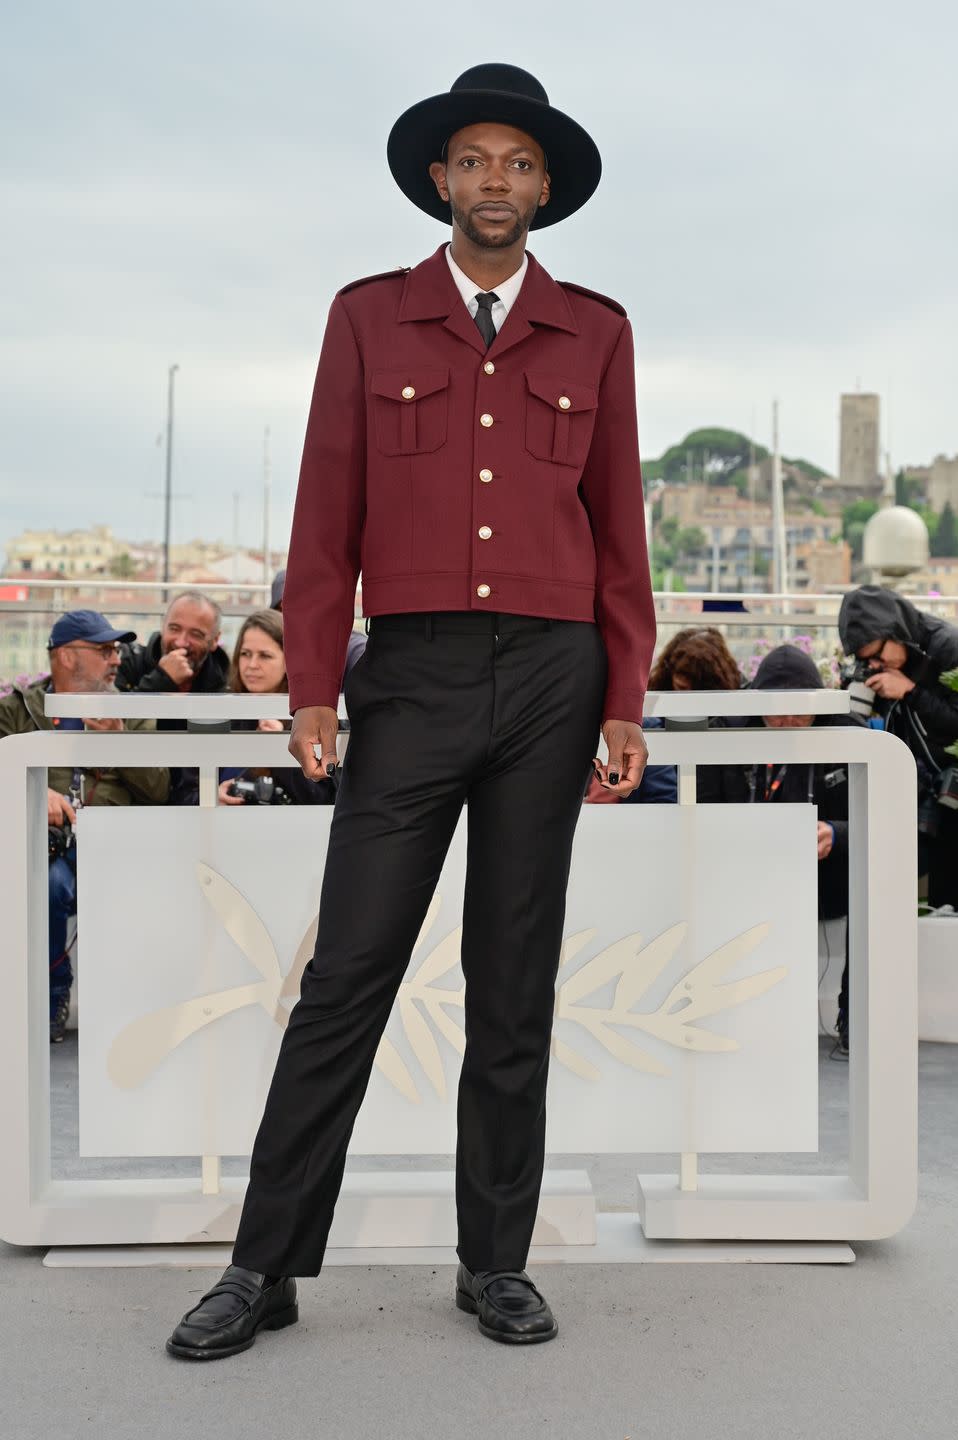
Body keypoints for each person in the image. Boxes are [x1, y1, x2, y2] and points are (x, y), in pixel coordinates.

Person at [167, 63, 654, 1361]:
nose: (496, 181)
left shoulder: (594, 329)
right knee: (345, 977)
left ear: (545, 188)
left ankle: (493, 1261)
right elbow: (324, 513)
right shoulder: (369, 318)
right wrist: (313, 680)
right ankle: (263, 1266)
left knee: (512, 986)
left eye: (519, 164)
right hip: (414, 675)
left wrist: (624, 692)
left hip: (554, 678)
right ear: (439, 179)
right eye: (474, 160)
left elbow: (620, 529)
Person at [0, 610, 170, 1041]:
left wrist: (120, 743)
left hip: (117, 846)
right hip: (44, 845)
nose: (116, 659)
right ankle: (52, 996)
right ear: (66, 657)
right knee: (49, 883)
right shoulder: (17, 709)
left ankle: (128, 1003)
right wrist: (34, 795)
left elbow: (160, 789)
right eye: (103, 650)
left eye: (116, 650)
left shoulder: (130, 711)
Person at [697, 644, 865, 1054]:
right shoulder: (728, 731)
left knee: (874, 896)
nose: (788, 722)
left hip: (828, 874)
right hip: (746, 876)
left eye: (799, 713)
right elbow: (701, 811)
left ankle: (855, 1021)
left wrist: (837, 832)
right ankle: (721, 1017)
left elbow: (885, 814)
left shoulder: (850, 733)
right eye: (777, 712)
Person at [839, 586, 958, 909]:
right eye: (866, 661)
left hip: (950, 790)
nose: (875, 665)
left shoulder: (947, 647)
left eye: (877, 656)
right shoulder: (890, 661)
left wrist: (910, 691)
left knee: (947, 896)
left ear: (896, 632)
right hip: (919, 792)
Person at [586, 628, 742, 805]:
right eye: (682, 686)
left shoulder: (723, 726)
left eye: (695, 686)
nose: (687, 692)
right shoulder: (651, 720)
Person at [116, 590, 229, 804]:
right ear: (163, 626)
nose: (181, 642)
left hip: (193, 807)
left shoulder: (225, 686)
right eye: (174, 629)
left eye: (196, 634)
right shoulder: (130, 663)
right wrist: (160, 680)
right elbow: (112, 722)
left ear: (215, 641)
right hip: (131, 803)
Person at [217, 609, 337, 807]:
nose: (252, 665)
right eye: (245, 654)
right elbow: (188, 790)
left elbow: (324, 798)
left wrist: (280, 747)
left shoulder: (312, 714)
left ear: (290, 661)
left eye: (264, 656)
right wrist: (213, 794)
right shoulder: (222, 708)